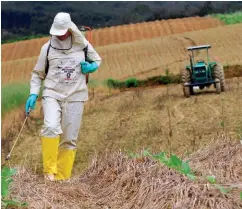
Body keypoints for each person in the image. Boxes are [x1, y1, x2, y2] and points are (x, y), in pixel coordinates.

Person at [25, 12, 102, 181]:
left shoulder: (83, 45)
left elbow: (97, 60)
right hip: (52, 94)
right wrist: (33, 93)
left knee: (69, 139)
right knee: (51, 127)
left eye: (62, 32)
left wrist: (91, 67)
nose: (59, 36)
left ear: (69, 29)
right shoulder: (47, 48)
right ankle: (49, 174)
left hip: (75, 96)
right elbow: (38, 74)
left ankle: (61, 179)